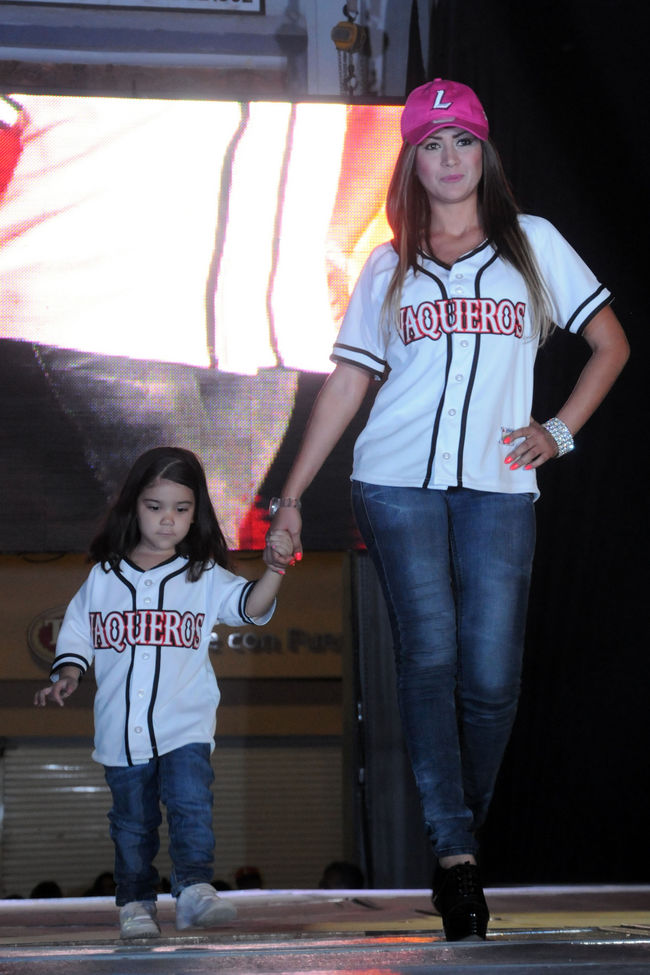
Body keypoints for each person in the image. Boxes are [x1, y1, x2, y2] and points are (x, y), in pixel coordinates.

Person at [265, 79, 629, 942]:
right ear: (412, 163)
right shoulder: (387, 265)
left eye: (461, 140)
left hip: (501, 484)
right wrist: (290, 495)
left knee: (492, 677)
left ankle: (455, 824)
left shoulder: (534, 245)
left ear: (485, 151)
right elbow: (349, 380)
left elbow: (610, 344)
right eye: (430, 145)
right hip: (395, 482)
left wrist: (559, 432)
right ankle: (459, 858)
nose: (449, 158)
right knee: (428, 658)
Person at [34, 446, 293, 940]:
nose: (168, 519)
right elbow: (76, 633)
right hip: (120, 731)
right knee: (132, 824)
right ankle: (135, 903)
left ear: (196, 513)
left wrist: (276, 569)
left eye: (181, 508)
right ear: (133, 505)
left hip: (185, 723)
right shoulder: (104, 577)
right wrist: (66, 673)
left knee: (191, 806)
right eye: (155, 507)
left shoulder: (202, 574)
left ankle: (194, 890)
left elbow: (251, 605)